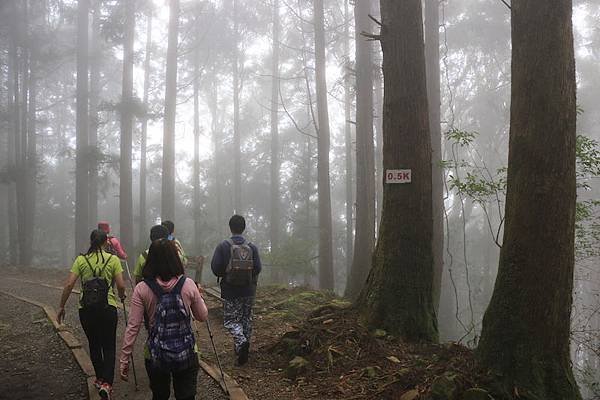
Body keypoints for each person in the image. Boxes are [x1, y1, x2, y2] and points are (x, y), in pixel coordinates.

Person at [120, 239, 208, 400]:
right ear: (175, 258)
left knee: (160, 396)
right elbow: (202, 316)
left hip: (155, 355)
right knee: (186, 396)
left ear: (150, 260)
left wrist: (124, 358)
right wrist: (198, 295)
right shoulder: (188, 284)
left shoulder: (142, 288)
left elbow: (133, 326)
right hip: (187, 352)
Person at [58, 229, 126, 400]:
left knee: (94, 344)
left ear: (91, 242)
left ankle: (99, 378)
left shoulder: (81, 260)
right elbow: (121, 285)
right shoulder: (113, 259)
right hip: (107, 307)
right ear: (105, 242)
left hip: (86, 309)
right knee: (109, 346)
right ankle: (107, 384)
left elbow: (69, 284)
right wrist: (122, 295)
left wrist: (61, 306)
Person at [210, 215, 261, 365]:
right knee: (246, 318)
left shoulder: (223, 246)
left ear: (230, 227)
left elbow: (215, 268)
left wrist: (225, 274)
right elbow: (258, 268)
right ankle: (243, 347)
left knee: (231, 320)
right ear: (243, 228)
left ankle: (241, 341)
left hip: (230, 290)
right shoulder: (252, 247)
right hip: (248, 290)